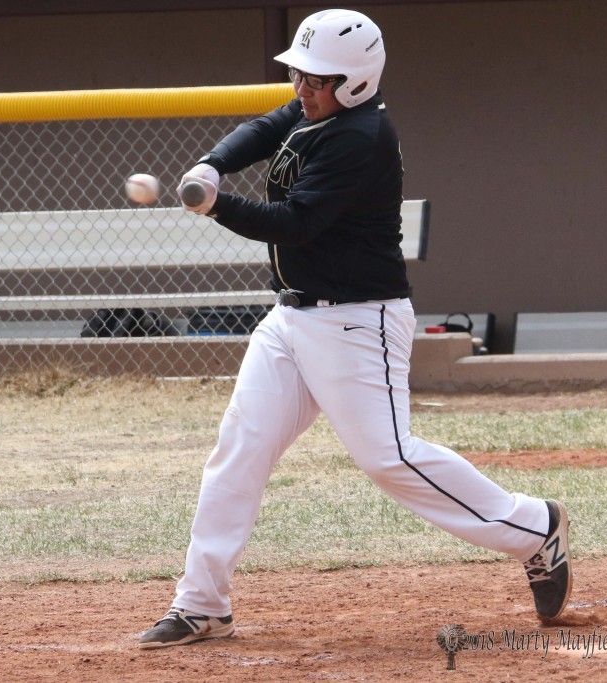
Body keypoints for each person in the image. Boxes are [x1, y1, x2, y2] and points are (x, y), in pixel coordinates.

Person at [139, 9, 572, 649]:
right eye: (300, 75)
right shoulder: (315, 111)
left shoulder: (359, 136)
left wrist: (216, 205)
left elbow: (296, 221)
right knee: (239, 450)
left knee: (391, 458)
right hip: (290, 319)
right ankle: (202, 604)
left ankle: (536, 527)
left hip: (357, 321)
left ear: (355, 83)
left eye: (317, 80)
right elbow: (264, 128)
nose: (301, 88)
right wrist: (212, 164)